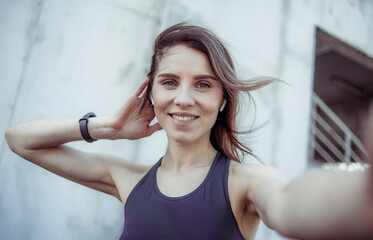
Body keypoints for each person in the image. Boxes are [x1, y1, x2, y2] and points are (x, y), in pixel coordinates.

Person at [5, 23, 373, 240]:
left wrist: (363, 195)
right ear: (150, 93)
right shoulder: (126, 179)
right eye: (169, 82)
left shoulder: (246, 182)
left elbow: (292, 203)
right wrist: (107, 127)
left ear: (223, 99)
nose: (183, 99)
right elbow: (19, 140)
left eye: (202, 85)